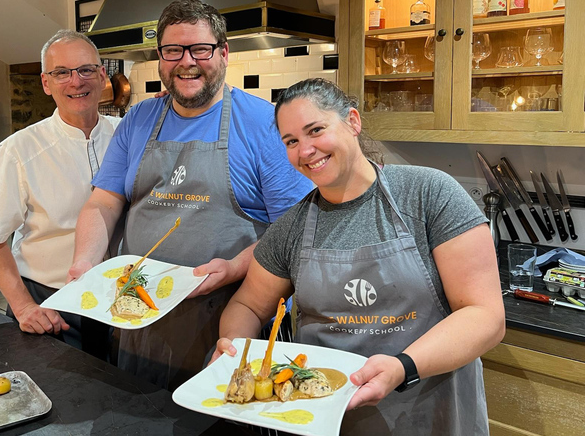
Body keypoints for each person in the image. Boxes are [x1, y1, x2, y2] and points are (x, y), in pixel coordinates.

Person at [214, 78, 505, 435]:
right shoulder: (291, 227)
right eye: (291, 141)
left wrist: (402, 367)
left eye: (316, 130)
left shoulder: (428, 194)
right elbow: (247, 306)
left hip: (430, 412)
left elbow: (485, 315)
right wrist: (234, 351)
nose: (305, 150)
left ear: (352, 121)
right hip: (325, 417)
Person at [68, 0, 314, 390]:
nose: (187, 61)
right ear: (161, 57)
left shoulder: (266, 122)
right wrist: (84, 265)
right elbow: (104, 201)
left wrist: (233, 268)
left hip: (229, 320)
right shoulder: (139, 118)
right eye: (172, 50)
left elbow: (295, 229)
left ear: (224, 53)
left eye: (200, 49)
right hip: (137, 317)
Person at [0, 30, 118, 360]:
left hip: (121, 300)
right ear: (45, 83)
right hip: (53, 306)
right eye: (62, 73)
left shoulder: (127, 134)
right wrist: (24, 306)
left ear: (102, 75)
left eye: (85, 70)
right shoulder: (18, 150)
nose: (76, 82)